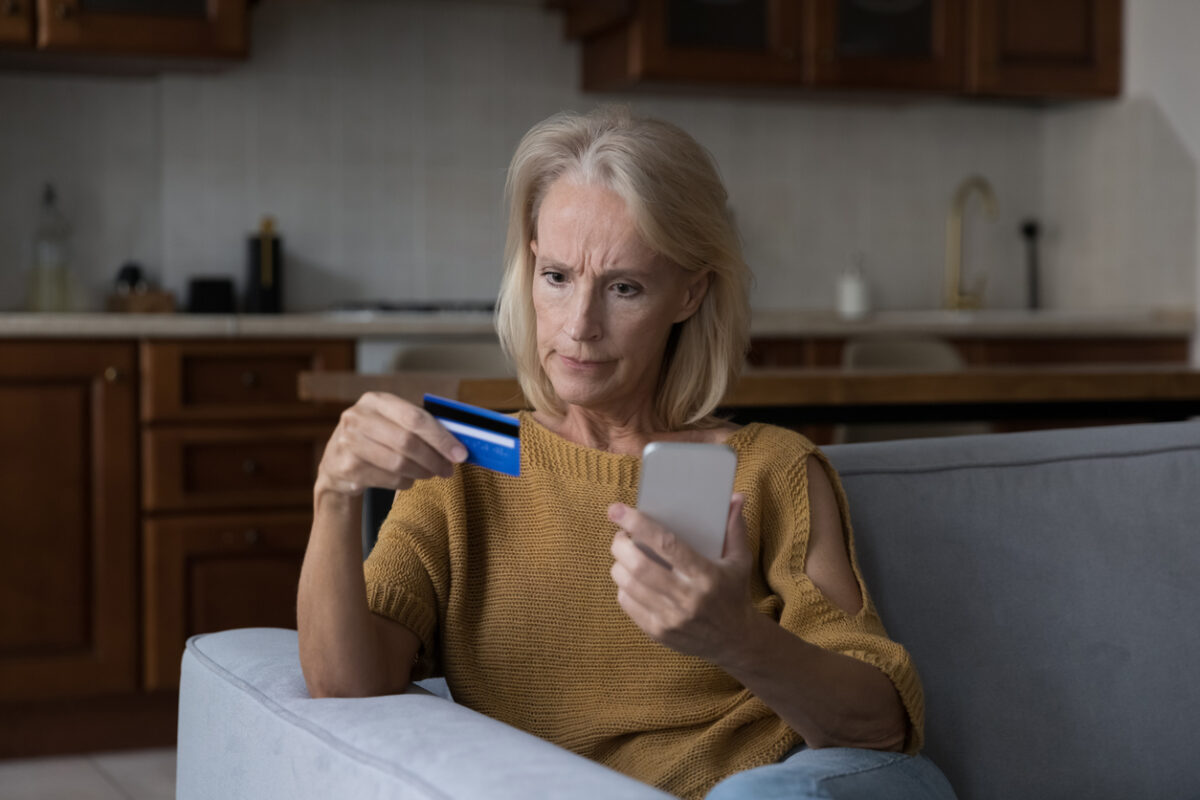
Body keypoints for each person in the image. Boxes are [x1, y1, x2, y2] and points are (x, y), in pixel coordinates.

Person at [297, 106, 956, 800]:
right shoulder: (469, 464)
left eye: (623, 287)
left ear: (690, 292)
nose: (580, 326)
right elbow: (345, 686)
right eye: (556, 276)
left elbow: (880, 729)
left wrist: (732, 637)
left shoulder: (772, 469)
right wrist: (334, 495)